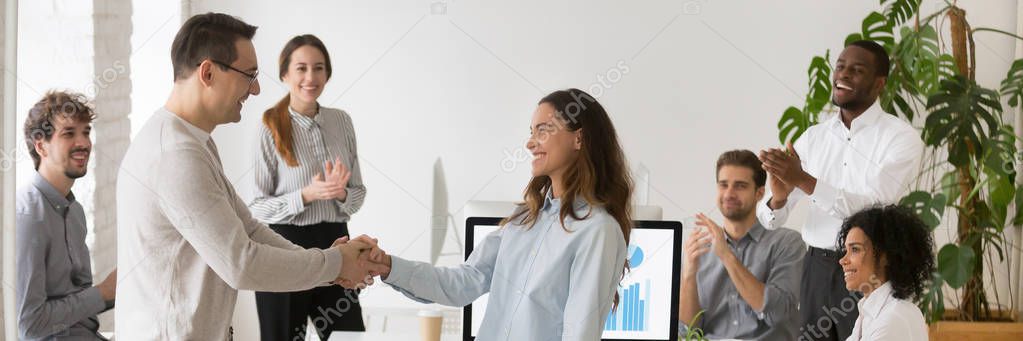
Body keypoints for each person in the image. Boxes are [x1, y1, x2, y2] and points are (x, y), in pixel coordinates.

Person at [114, 13, 383, 340]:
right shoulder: (175, 155)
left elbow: (249, 228)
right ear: (208, 72)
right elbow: (241, 264)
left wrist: (330, 263)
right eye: (249, 75)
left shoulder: (194, 141)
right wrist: (334, 263)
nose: (255, 89)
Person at [355, 88, 632, 340]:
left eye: (543, 130)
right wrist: (388, 266)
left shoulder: (597, 230)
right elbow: (462, 283)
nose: (530, 143)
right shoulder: (525, 220)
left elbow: (579, 332)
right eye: (531, 132)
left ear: (579, 138)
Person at [757, 39, 925, 341]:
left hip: (866, 267)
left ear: (879, 83)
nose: (843, 75)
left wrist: (804, 180)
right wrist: (780, 196)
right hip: (815, 269)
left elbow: (873, 210)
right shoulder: (813, 138)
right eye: (840, 67)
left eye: (856, 70)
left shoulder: (901, 138)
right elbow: (771, 219)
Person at [249, 34, 367, 340]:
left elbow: (357, 196)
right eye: (301, 68)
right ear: (285, 74)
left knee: (347, 336)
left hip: (337, 241)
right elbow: (257, 207)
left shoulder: (342, 121)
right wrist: (306, 195)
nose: (310, 77)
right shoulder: (268, 126)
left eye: (318, 68)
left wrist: (339, 193)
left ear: (327, 73)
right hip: (284, 248)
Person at [16, 91, 117, 340]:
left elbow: (79, 307)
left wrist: (119, 291)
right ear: (41, 146)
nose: (83, 143)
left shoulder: (75, 212)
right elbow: (30, 326)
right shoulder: (28, 217)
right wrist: (102, 293)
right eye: (69, 133)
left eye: (86, 131)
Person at [678, 150, 805, 340]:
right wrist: (688, 275)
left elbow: (779, 315)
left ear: (759, 193)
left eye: (740, 186)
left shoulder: (787, 244)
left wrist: (726, 255)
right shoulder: (698, 249)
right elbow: (688, 333)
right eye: (723, 185)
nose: (729, 193)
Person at [838, 205, 933, 341]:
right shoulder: (871, 311)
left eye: (855, 249)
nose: (842, 260)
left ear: (885, 256)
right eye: (845, 250)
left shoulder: (894, 318)